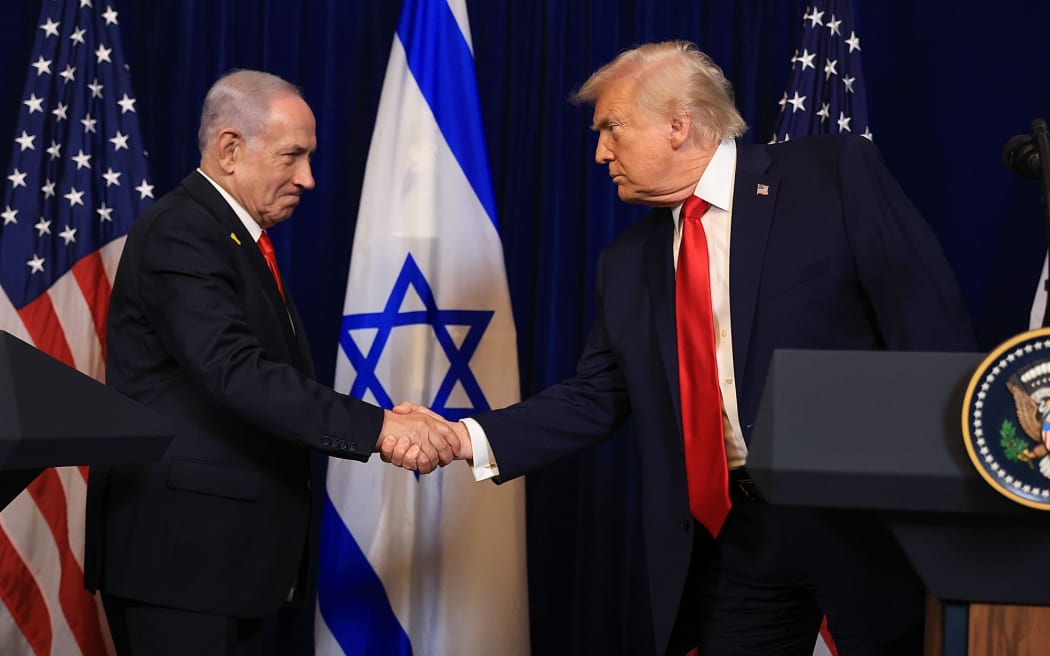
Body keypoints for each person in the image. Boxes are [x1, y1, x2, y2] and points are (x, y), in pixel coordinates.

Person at [396, 41, 977, 655]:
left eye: (612, 129)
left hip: (864, 527)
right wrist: (466, 438)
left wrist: (954, 506)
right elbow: (597, 396)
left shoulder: (829, 175)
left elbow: (929, 331)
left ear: (679, 125)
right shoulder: (625, 263)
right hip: (735, 541)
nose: (599, 153)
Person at [84, 69, 457, 655]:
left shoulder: (230, 235)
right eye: (293, 156)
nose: (308, 178)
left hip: (230, 564)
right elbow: (235, 371)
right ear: (230, 149)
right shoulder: (183, 231)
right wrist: (381, 427)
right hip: (183, 562)